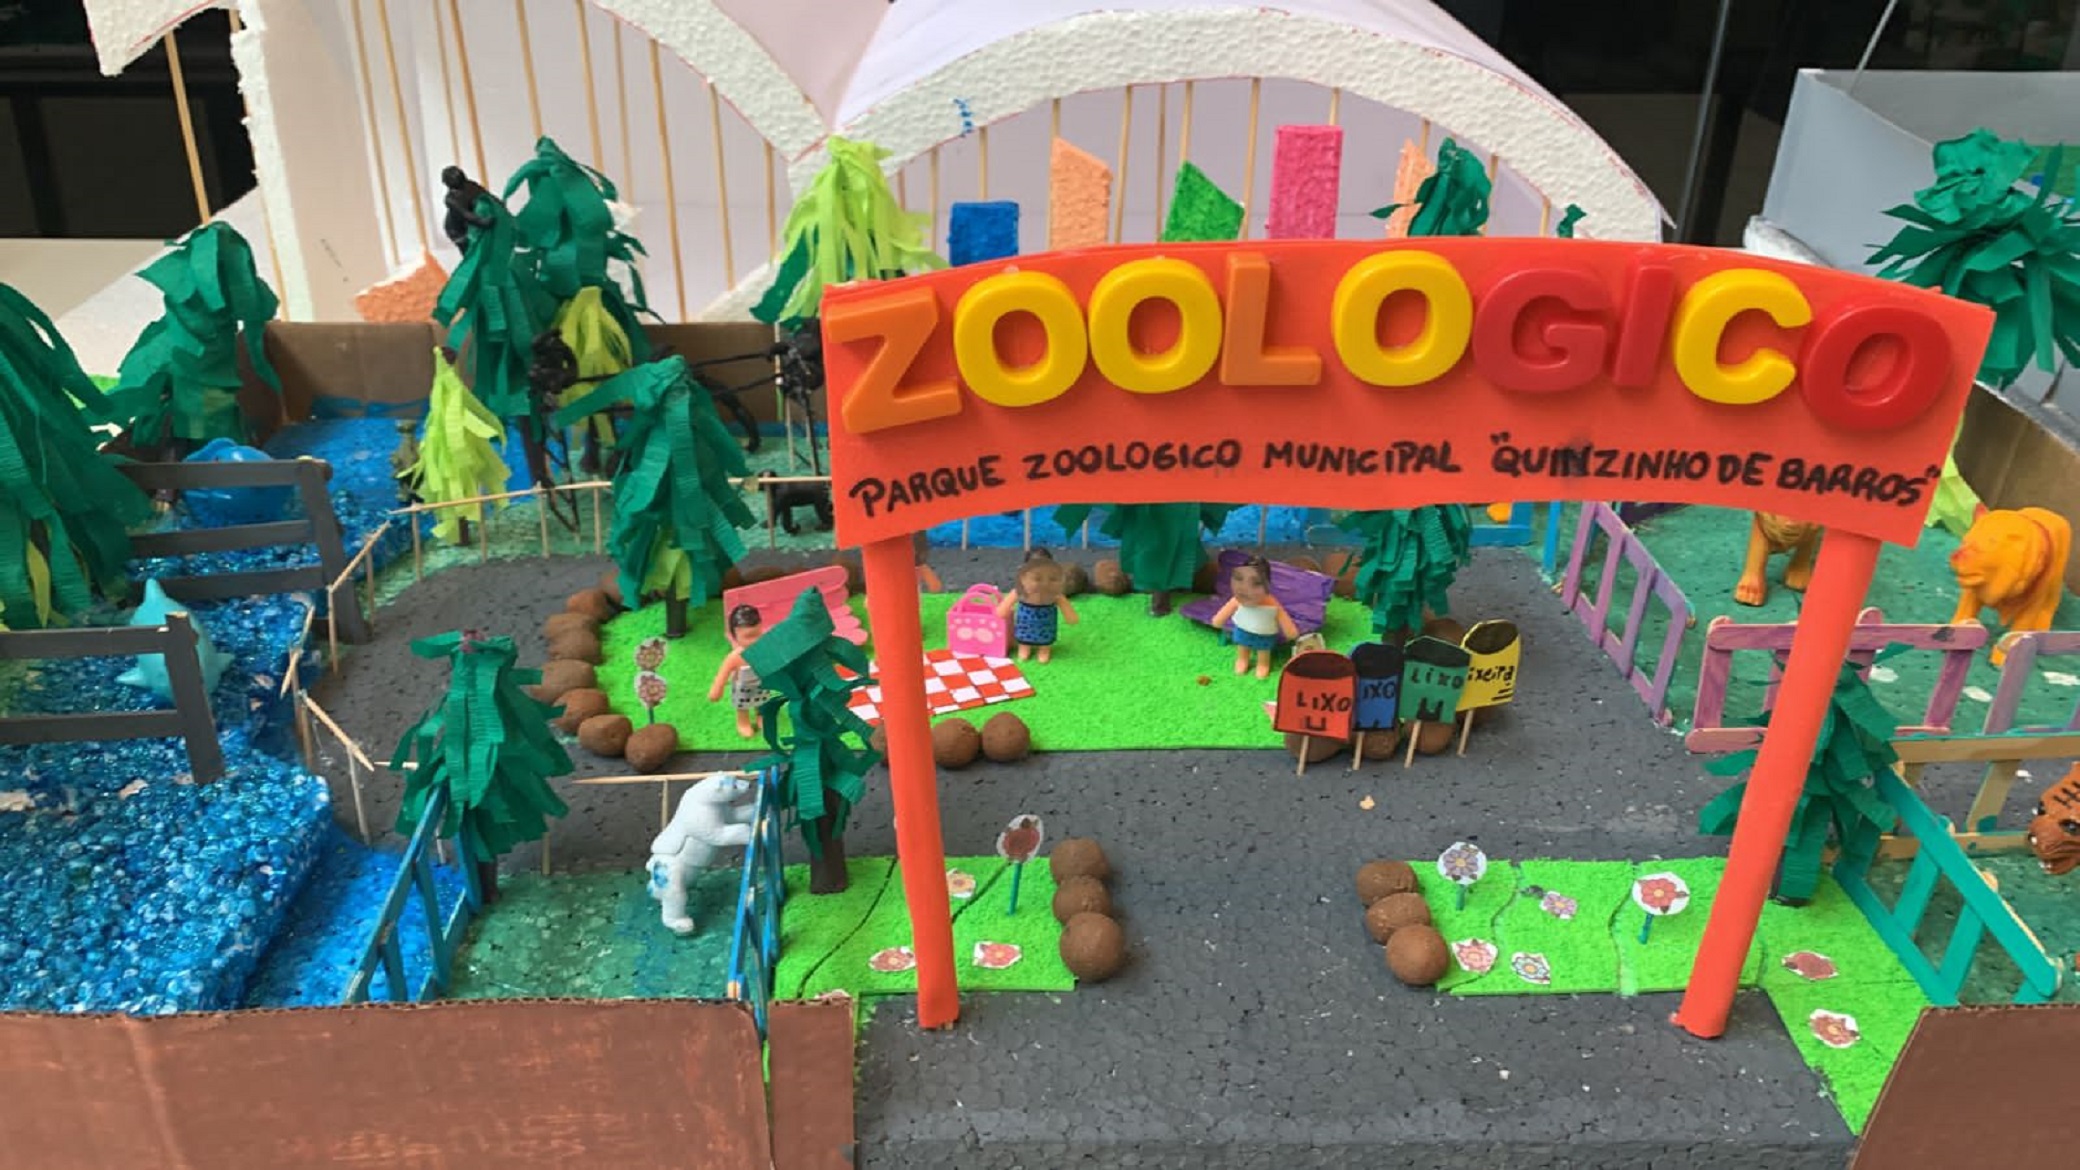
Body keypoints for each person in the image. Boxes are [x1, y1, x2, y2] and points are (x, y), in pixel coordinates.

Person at [1211, 556, 1298, 679]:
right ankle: (1242, 660)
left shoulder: (1271, 603)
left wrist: (1290, 632)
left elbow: (1282, 616)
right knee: (1243, 647)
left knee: (1263, 651)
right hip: (1243, 630)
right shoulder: (1239, 598)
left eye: (1256, 584)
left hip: (1264, 634)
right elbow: (1227, 610)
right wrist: (1218, 620)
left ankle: (1263, 664)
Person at [994, 548, 1079, 663]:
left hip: (1046, 624)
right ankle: (1024, 647)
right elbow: (1002, 610)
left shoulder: (1054, 594)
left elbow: (1067, 610)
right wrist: (1002, 611)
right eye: (1037, 578)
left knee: (1046, 636)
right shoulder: (1021, 591)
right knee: (1024, 636)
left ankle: (1044, 649)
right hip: (1025, 624)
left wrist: (1070, 617)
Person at [706, 604, 773, 738]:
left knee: (762, 703)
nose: (754, 641)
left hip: (761, 684)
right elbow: (723, 674)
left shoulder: (763, 650)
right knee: (742, 707)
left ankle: (761, 716)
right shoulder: (735, 658)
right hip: (742, 688)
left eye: (758, 634)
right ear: (734, 635)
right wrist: (717, 689)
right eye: (748, 636)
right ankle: (743, 722)